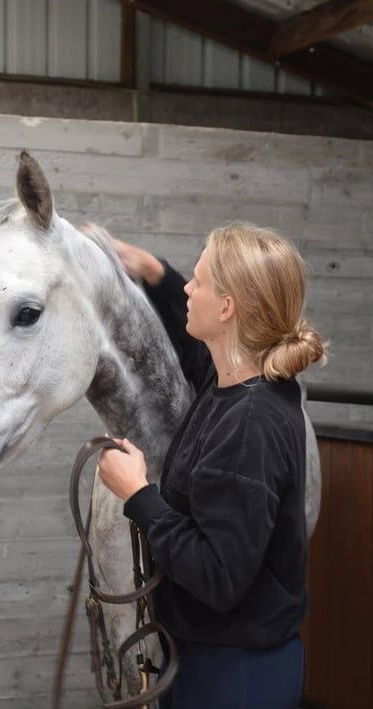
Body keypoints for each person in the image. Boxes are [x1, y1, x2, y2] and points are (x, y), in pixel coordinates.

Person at [97, 222, 326, 709]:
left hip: (235, 677)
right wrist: (155, 273)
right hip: (223, 661)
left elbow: (218, 577)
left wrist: (138, 494)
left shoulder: (249, 425)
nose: (187, 289)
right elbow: (194, 353)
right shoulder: (240, 383)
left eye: (196, 281)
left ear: (226, 309)